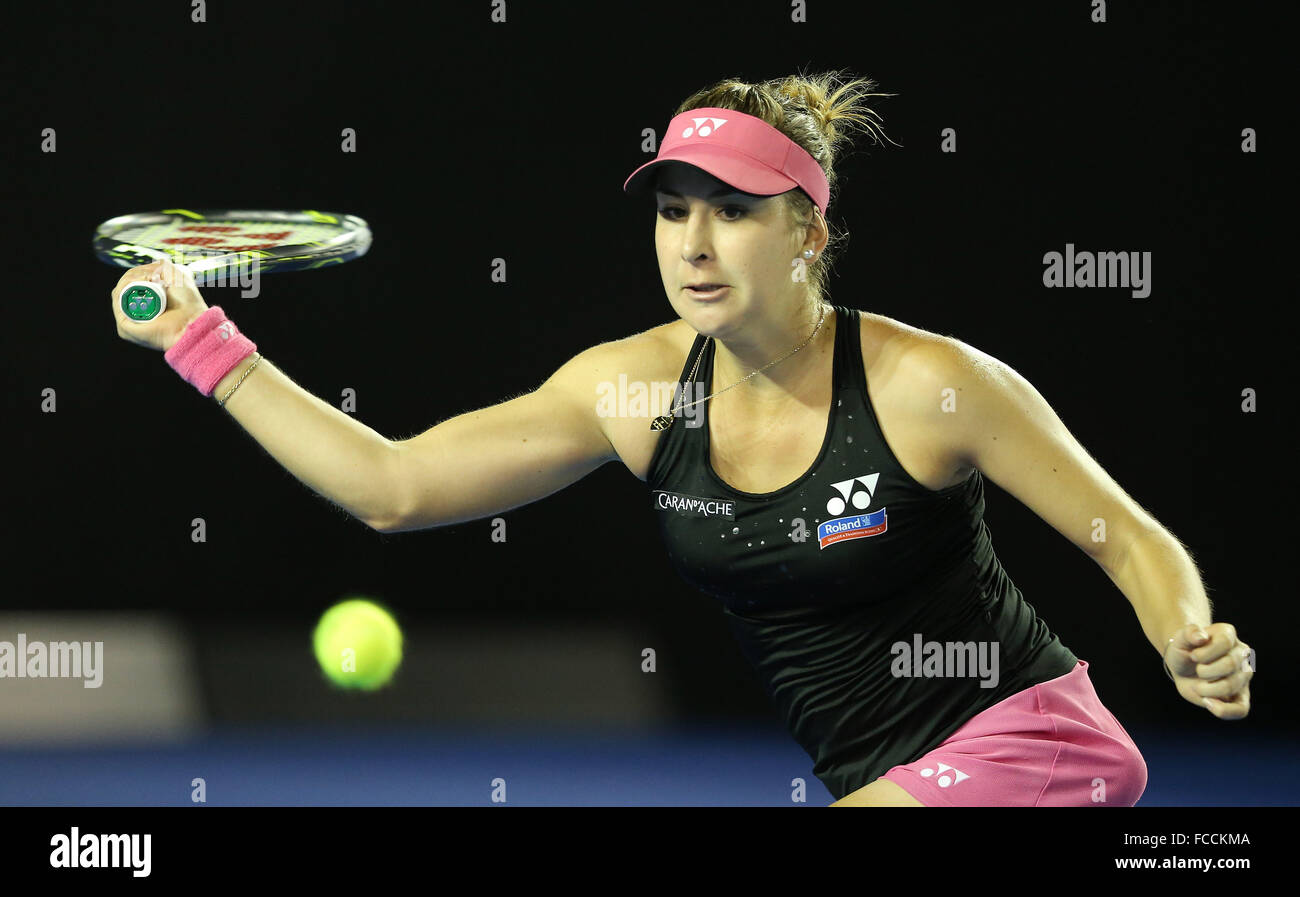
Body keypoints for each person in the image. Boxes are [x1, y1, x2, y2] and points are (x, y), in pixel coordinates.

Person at [110, 70, 1253, 806]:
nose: (693, 244)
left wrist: (1185, 631)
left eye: (733, 211)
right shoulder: (637, 393)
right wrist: (205, 346)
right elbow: (394, 487)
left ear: (808, 231)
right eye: (672, 209)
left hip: (1033, 747)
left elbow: (1125, 535)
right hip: (878, 776)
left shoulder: (928, 384)